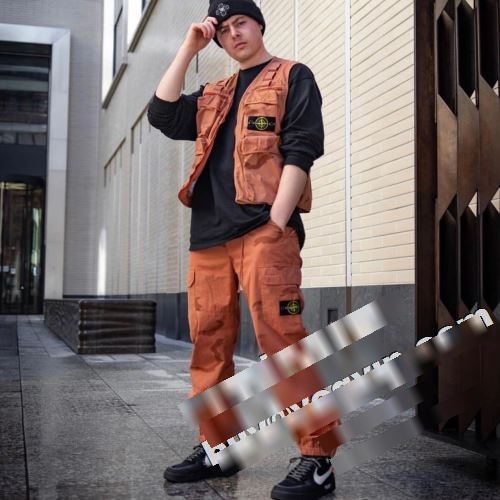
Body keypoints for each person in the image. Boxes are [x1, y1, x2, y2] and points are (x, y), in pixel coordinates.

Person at [147, 1, 339, 498]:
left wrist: (277, 222)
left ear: (258, 25)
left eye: (241, 23)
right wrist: (189, 46)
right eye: (224, 30)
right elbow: (162, 113)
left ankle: (317, 458)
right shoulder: (214, 92)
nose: (234, 34)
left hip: (263, 235)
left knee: (284, 341)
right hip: (208, 241)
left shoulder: (292, 76)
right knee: (208, 347)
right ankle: (219, 448)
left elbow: (302, 147)